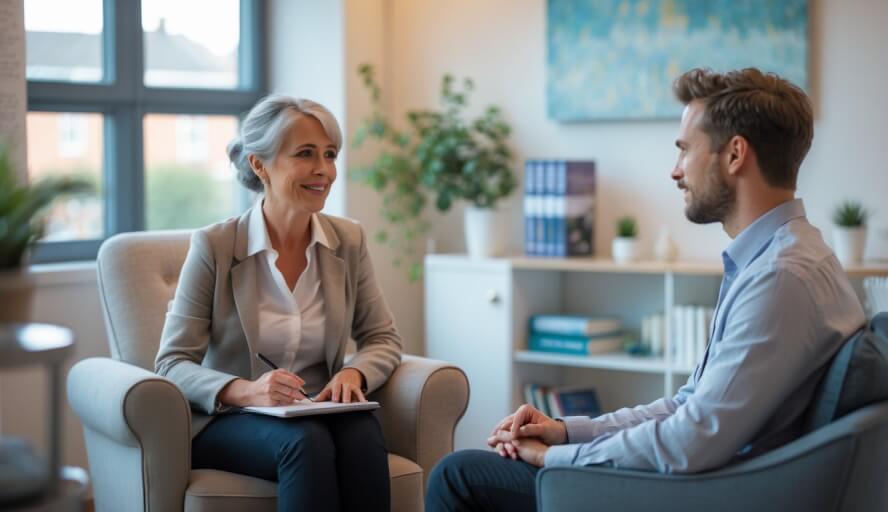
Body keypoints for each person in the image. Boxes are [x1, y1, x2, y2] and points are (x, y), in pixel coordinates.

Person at [425, 67, 866, 511]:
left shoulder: (779, 277)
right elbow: (686, 406)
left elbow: (688, 442)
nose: (675, 172)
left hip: (705, 492)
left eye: (684, 150)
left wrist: (557, 459)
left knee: (458, 475)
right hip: (719, 475)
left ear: (735, 155)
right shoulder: (787, 257)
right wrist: (565, 430)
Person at [155, 95, 402, 512]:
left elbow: (382, 337)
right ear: (259, 164)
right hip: (230, 420)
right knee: (306, 442)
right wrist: (247, 391)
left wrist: (354, 372)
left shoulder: (348, 241)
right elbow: (172, 363)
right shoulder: (215, 246)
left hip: (316, 412)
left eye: (330, 154)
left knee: (361, 432)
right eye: (305, 154)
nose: (323, 170)